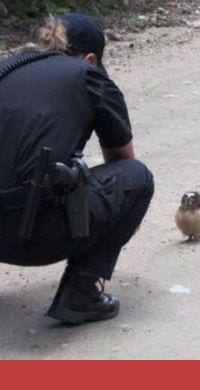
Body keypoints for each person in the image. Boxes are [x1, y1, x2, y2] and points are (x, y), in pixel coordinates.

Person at [0, 14, 154, 324]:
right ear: (91, 58)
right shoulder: (89, 75)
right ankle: (81, 295)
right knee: (137, 179)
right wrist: (122, 219)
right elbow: (122, 161)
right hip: (34, 236)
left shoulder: (6, 71)